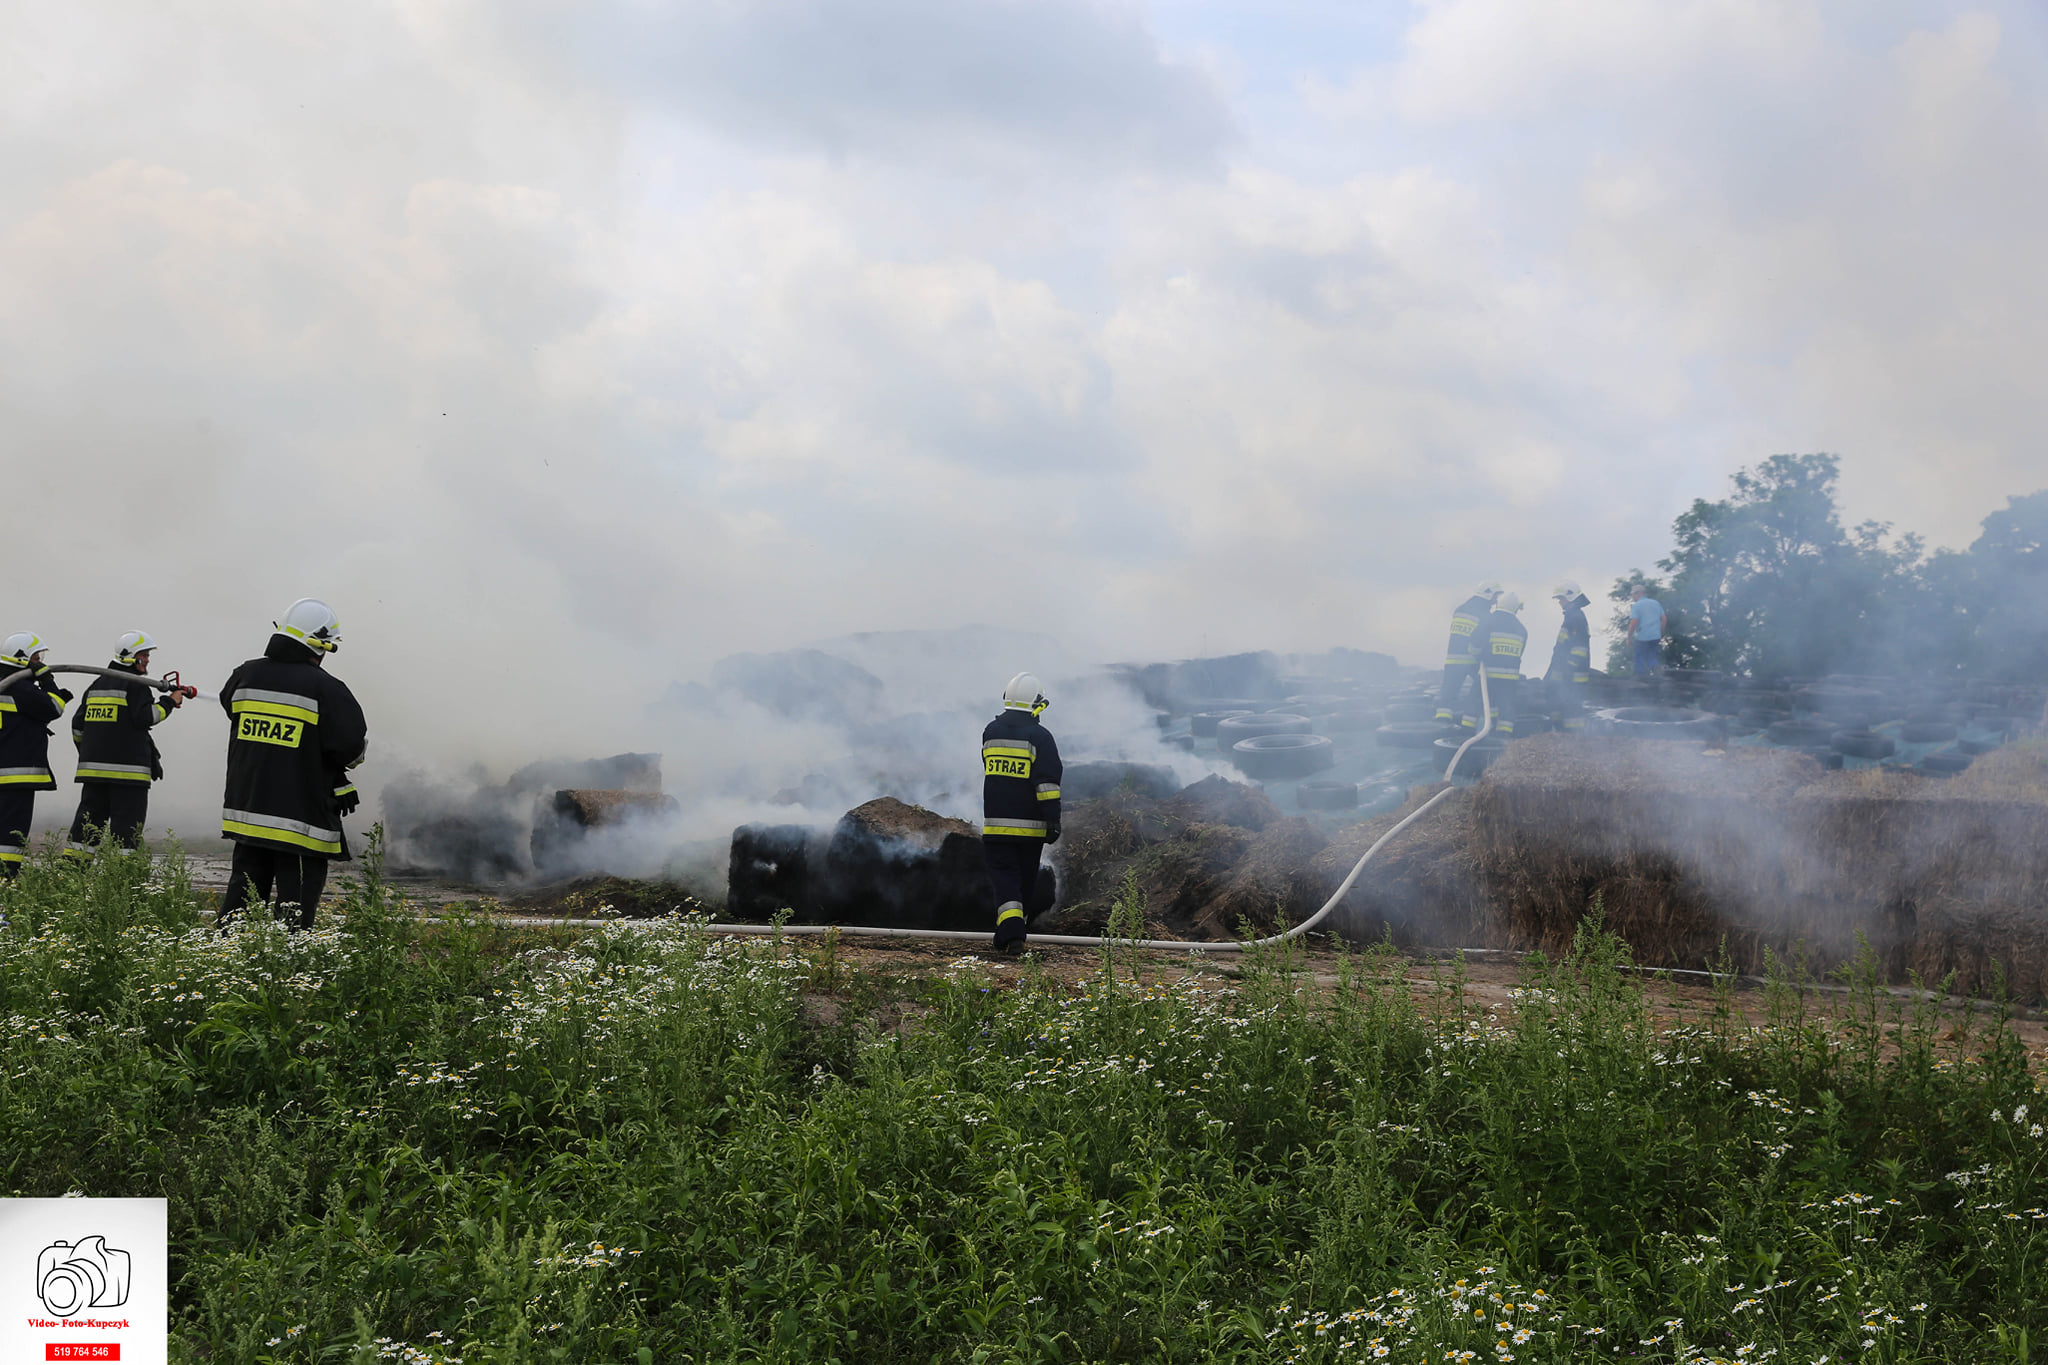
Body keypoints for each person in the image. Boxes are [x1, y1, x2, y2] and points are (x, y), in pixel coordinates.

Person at [215, 599, 367, 931]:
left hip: (249, 818)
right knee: (293, 916)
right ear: (320, 644)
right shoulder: (328, 690)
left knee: (238, 907)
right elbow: (351, 751)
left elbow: (236, 712)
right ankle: (287, 971)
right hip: (299, 825)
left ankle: (225, 959)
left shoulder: (244, 676)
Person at [67, 631, 188, 855]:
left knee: (85, 830)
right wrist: (169, 702)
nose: (148, 660)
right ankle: (123, 881)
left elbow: (77, 727)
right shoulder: (136, 686)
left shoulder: (97, 685)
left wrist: (90, 754)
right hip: (128, 777)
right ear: (131, 657)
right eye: (144, 655)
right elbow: (147, 717)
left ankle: (71, 877)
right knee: (126, 835)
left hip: (94, 776)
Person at [980, 671, 1062, 956]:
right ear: (1037, 704)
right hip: (1031, 829)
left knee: (1005, 882)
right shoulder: (1040, 737)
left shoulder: (990, 732)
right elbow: (1048, 784)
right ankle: (1014, 934)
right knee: (1024, 881)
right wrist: (1053, 820)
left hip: (996, 826)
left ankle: (1010, 934)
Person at [0, 633, 72, 877]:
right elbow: (53, 708)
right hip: (16, 776)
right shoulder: (19, 687)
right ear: (23, 659)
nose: (40, 660)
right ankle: (6, 880)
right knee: (12, 833)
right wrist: (48, 680)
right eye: (36, 657)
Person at [1436, 580, 1503, 725]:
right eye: (1495, 596)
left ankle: (1442, 726)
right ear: (1488, 594)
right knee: (1486, 689)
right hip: (1472, 660)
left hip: (1452, 659)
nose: (1496, 600)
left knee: (1448, 695)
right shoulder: (1485, 615)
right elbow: (1481, 638)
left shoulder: (1460, 609)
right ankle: (1492, 723)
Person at [1464, 592, 1527, 735]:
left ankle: (1465, 736)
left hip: (1487, 676)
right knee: (1505, 710)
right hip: (1509, 681)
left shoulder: (1488, 621)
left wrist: (1476, 659)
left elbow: (1474, 645)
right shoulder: (1522, 630)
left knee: (1473, 706)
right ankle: (1502, 743)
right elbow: (1519, 654)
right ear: (1515, 608)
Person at [1546, 581, 1592, 732]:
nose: (1560, 602)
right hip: (1567, 673)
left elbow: (1579, 649)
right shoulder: (1572, 617)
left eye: (1561, 598)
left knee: (1572, 708)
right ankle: (1564, 737)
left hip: (1573, 675)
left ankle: (1573, 739)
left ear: (1570, 598)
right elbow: (1561, 649)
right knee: (1560, 703)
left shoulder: (1576, 618)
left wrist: (1568, 669)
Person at [1627, 585, 1666, 678]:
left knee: (1639, 656)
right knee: (1651, 656)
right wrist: (1659, 632)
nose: (1633, 597)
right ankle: (1656, 667)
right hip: (1655, 636)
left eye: (1633, 594)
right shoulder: (1656, 603)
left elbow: (1634, 622)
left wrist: (1629, 637)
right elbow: (1664, 619)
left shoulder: (1637, 606)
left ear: (1638, 593)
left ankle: (1639, 675)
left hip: (1642, 636)